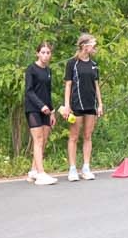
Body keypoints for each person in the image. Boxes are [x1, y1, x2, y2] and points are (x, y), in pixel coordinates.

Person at [65, 33, 102, 181]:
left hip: (90, 104)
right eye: (93, 45)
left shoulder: (94, 65)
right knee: (74, 136)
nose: (95, 48)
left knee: (88, 136)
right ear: (84, 46)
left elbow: (96, 85)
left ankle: (86, 167)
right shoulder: (72, 63)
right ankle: (72, 168)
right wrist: (67, 105)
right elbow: (68, 85)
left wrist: (100, 104)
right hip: (76, 105)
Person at [23, 44, 57, 185]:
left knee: (43, 141)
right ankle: (41, 174)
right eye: (43, 52)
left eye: (48, 52)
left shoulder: (48, 71)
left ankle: (33, 171)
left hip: (46, 110)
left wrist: (52, 111)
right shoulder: (31, 69)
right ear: (37, 53)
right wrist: (40, 105)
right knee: (38, 140)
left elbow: (48, 92)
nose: (45, 55)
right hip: (33, 108)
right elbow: (29, 91)